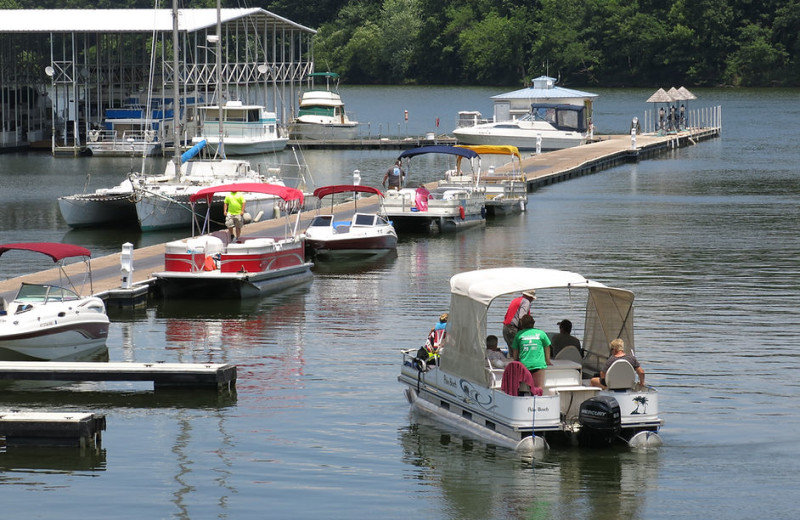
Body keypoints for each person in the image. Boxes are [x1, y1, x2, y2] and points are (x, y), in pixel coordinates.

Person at [510, 314, 551, 389]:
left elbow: (515, 351)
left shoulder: (519, 335)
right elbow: (547, 347)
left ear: (521, 324)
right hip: (538, 364)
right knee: (538, 388)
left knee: (523, 389)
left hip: (524, 365)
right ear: (533, 323)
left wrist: (515, 360)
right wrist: (547, 360)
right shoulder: (541, 333)